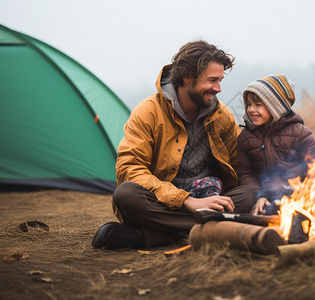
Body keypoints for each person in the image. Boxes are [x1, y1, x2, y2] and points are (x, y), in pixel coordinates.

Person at [92, 40, 256, 249]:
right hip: (161, 202)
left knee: (248, 195)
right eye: (212, 80)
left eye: (220, 80)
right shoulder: (147, 112)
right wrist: (186, 201)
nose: (218, 88)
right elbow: (129, 168)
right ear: (187, 77)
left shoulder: (221, 115)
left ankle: (153, 236)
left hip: (208, 199)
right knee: (126, 194)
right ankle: (211, 230)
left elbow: (240, 164)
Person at [236, 74, 315, 215]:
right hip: (264, 194)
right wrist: (260, 196)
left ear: (275, 107)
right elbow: (246, 173)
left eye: (258, 105)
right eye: (249, 104)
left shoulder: (299, 133)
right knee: (262, 208)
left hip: (297, 192)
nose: (251, 110)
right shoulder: (246, 137)